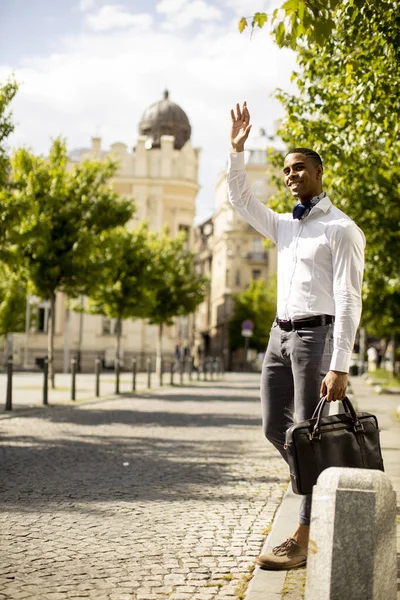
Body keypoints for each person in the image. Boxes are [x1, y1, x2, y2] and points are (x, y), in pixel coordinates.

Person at [228, 102, 365, 570]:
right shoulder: (285, 226)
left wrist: (340, 364)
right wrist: (237, 152)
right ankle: (324, 487)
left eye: (300, 167)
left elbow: (349, 299)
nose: (291, 175)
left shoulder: (341, 230)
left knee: (308, 434)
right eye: (286, 170)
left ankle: (305, 537)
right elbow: (243, 202)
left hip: (315, 339)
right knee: (276, 428)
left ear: (319, 173)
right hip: (277, 337)